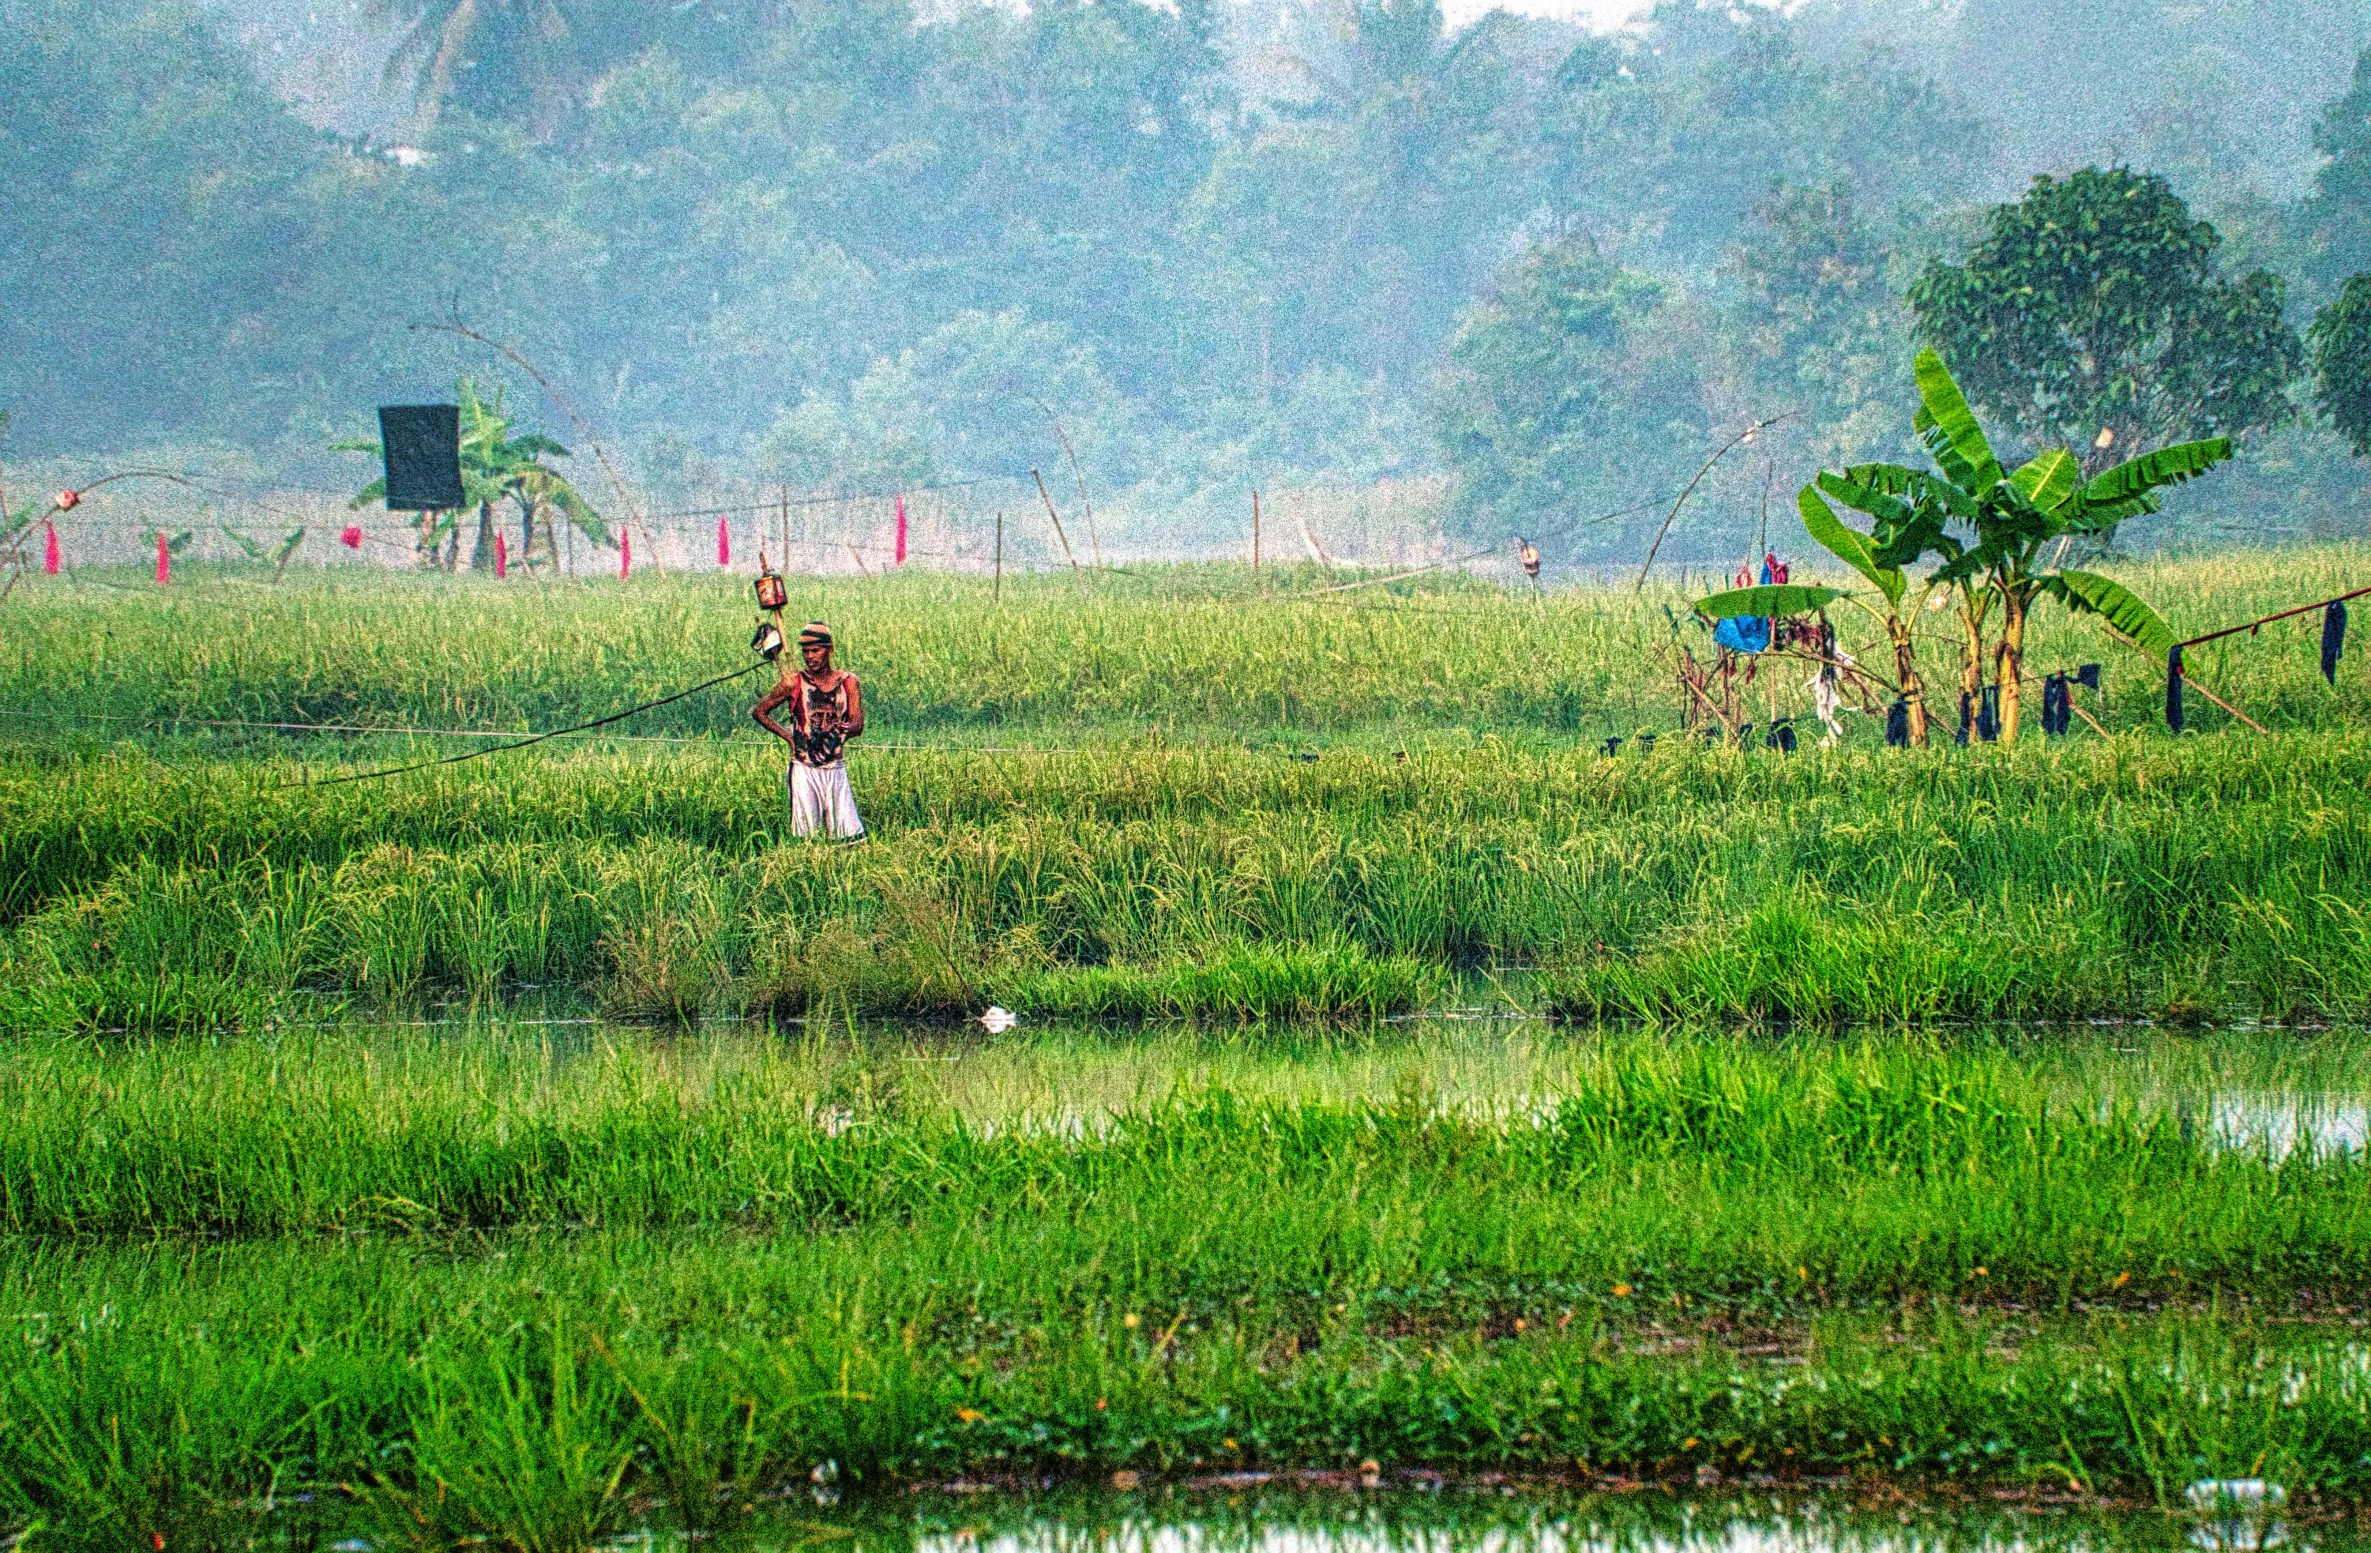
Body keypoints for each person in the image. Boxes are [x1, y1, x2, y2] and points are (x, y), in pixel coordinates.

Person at [752, 621, 866, 840]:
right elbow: (760, 712)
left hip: (835, 767)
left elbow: (858, 723)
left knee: (848, 838)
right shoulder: (794, 683)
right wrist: (789, 737)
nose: (810, 656)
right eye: (805, 652)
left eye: (816, 650)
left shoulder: (848, 682)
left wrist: (841, 731)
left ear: (829, 649)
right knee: (806, 837)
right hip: (804, 768)